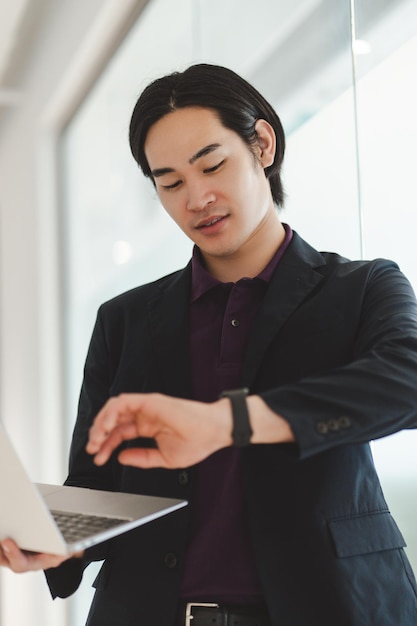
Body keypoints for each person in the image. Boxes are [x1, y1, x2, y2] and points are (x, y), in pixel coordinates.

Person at [1, 63, 417, 626]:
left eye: (212, 165)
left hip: (332, 604)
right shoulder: (122, 320)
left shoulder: (363, 288)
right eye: (169, 183)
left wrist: (228, 423)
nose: (196, 198)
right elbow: (95, 481)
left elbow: (406, 381)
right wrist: (58, 540)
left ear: (263, 144)